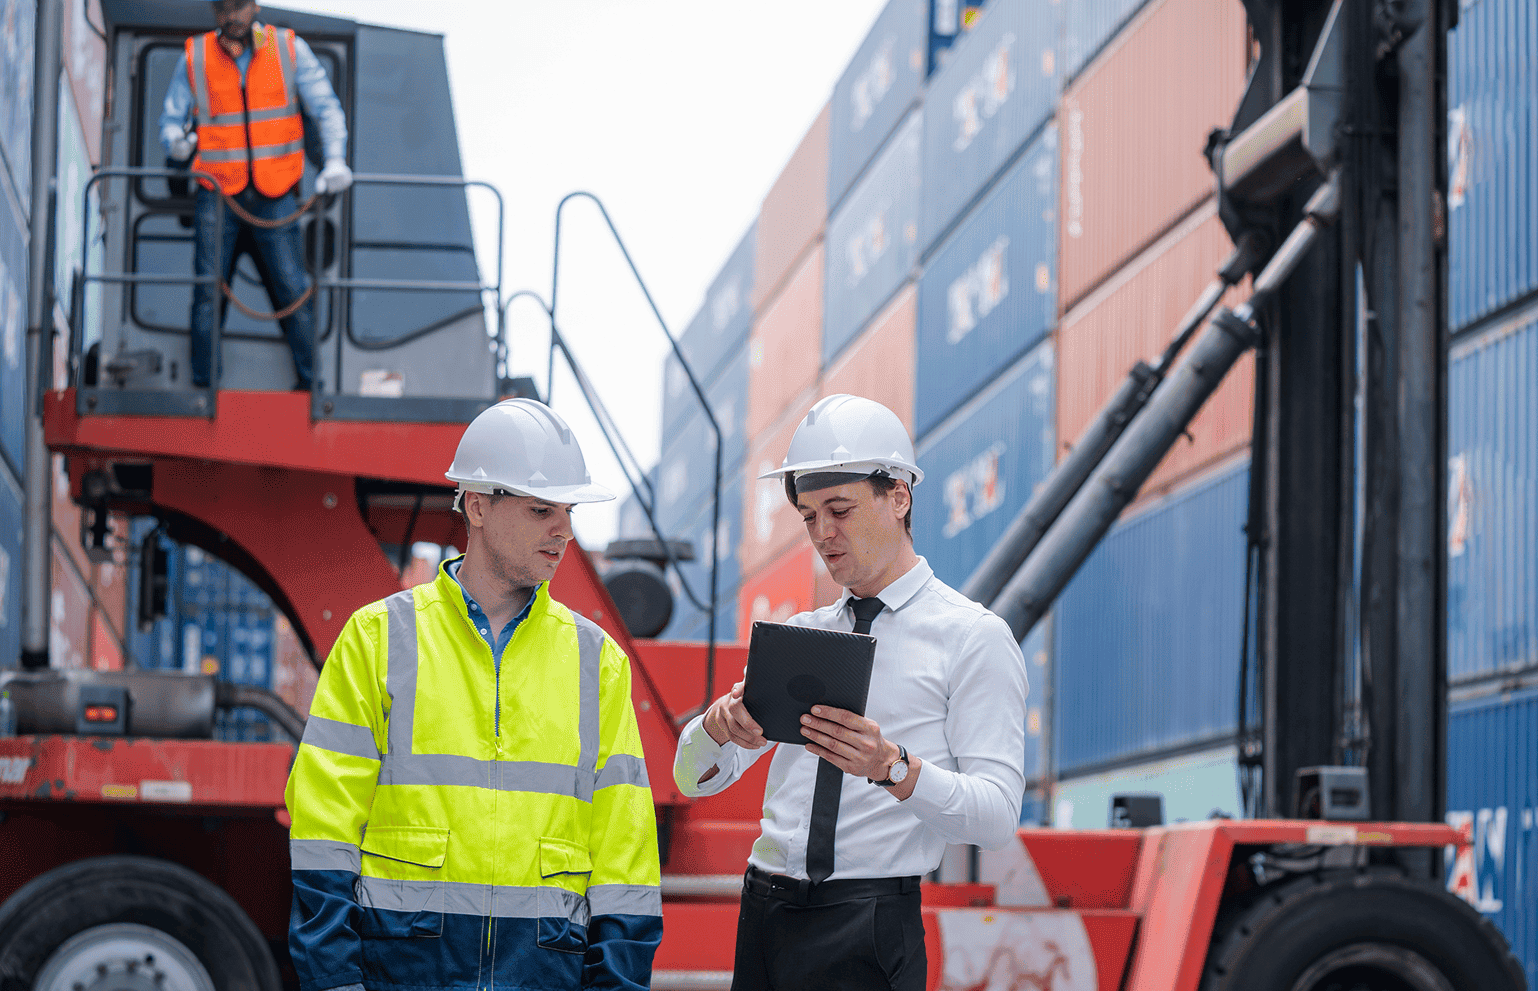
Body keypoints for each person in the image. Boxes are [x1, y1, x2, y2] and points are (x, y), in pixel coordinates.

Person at [285, 398, 663, 991]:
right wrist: (335, 982)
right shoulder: (377, 640)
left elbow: (626, 859)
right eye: (541, 510)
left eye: (568, 511)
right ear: (479, 506)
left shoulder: (598, 663)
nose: (563, 531)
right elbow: (322, 834)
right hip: (403, 978)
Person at [672, 394, 1028, 991]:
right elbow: (690, 780)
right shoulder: (802, 636)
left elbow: (996, 817)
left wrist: (892, 767)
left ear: (899, 496)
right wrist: (715, 728)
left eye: (839, 509)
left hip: (870, 925)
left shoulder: (973, 639)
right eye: (809, 517)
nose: (822, 534)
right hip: (764, 914)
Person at [157, 0, 352, 391]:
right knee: (208, 292)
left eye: (239, 5)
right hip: (217, 194)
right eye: (223, 8)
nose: (232, 15)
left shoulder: (288, 49)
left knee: (292, 289)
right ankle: (204, 390)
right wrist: (174, 142)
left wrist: (334, 160)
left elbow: (326, 108)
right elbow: (170, 120)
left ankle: (312, 387)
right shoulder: (196, 56)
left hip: (275, 191)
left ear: (255, 6)